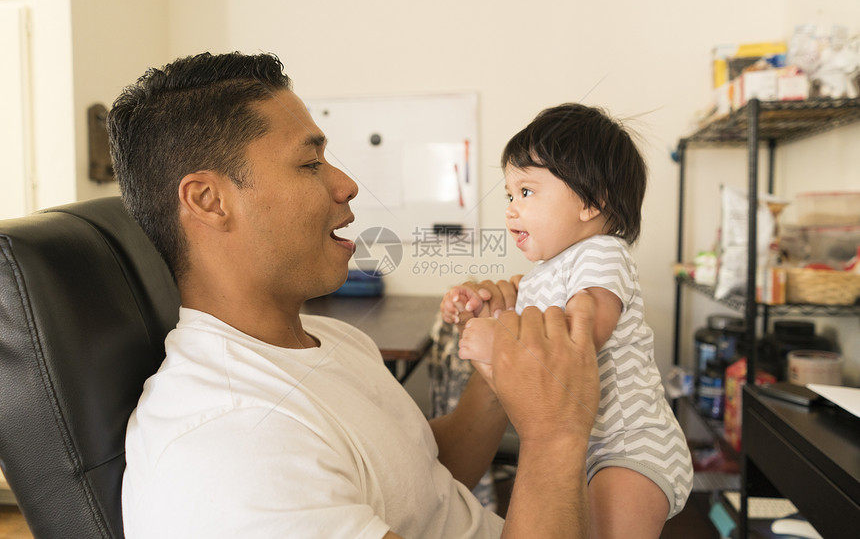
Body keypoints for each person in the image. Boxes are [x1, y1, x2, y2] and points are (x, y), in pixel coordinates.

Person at [108, 52, 600, 538]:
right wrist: (554, 438)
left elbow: (426, 481)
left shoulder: (330, 339)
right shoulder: (230, 444)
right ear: (209, 201)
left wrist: (499, 375)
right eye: (309, 163)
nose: (346, 184)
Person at [441, 103, 694, 538]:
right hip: (582, 443)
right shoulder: (547, 271)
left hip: (631, 446)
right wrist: (487, 311)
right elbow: (535, 330)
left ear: (592, 202)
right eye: (508, 194)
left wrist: (499, 340)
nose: (510, 209)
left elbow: (580, 338)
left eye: (526, 192)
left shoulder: (602, 253)